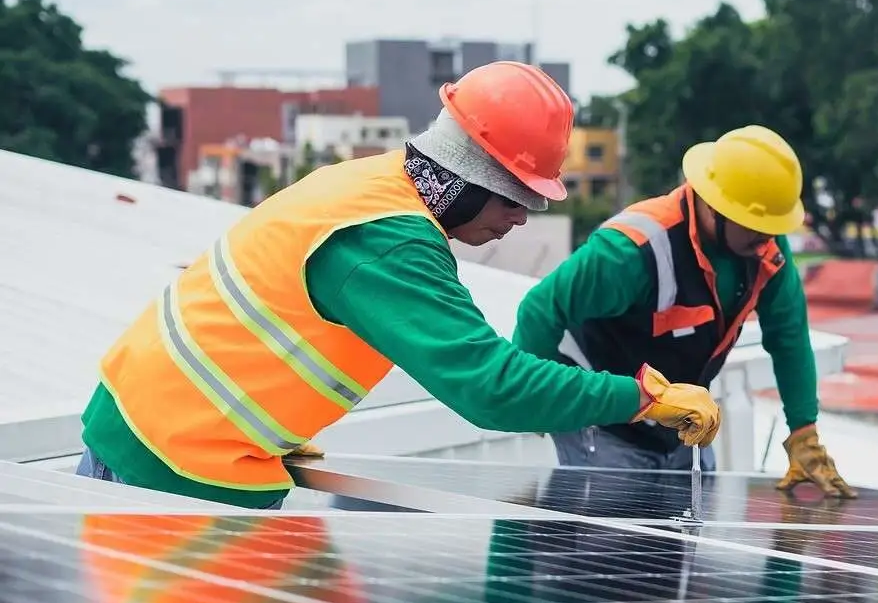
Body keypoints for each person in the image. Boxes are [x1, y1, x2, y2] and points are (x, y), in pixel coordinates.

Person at [74, 61, 720, 509]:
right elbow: (490, 389)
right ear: (471, 174)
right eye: (516, 196)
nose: (522, 216)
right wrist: (641, 396)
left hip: (154, 427)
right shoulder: (389, 240)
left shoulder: (369, 184)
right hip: (173, 461)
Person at [512, 124, 856, 499]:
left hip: (683, 422)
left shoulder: (765, 252)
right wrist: (536, 400)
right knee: (613, 544)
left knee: (682, 542)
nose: (767, 238)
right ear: (714, 206)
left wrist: (804, 432)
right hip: (606, 424)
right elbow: (540, 309)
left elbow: (789, 338)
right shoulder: (633, 250)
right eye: (756, 225)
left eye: (772, 228)